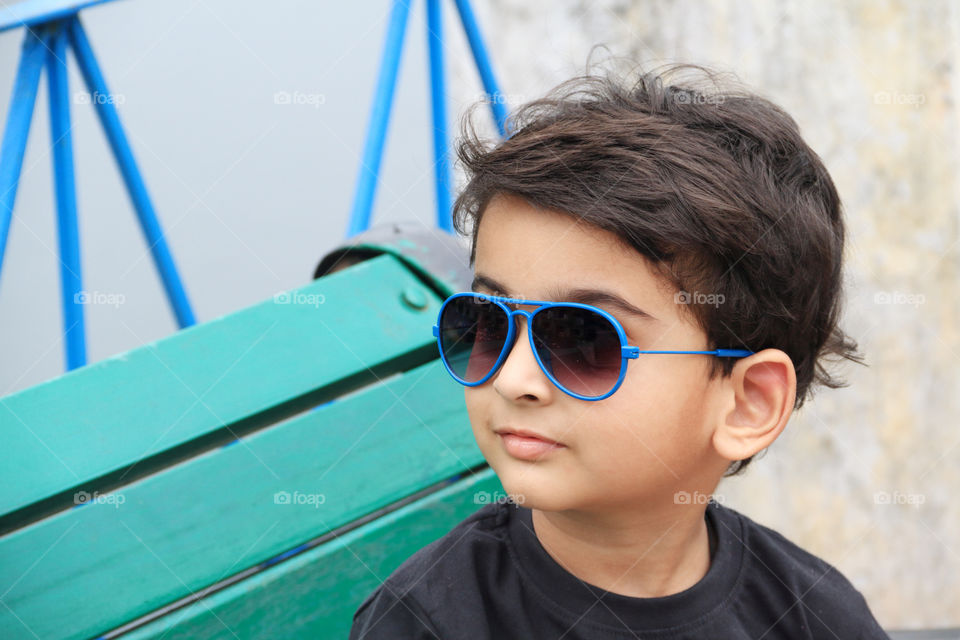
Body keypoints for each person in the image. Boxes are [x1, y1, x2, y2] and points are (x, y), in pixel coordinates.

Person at [349, 62, 889, 639]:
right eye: (488, 322)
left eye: (582, 338)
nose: (513, 379)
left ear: (747, 403)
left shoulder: (815, 616)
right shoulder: (428, 622)